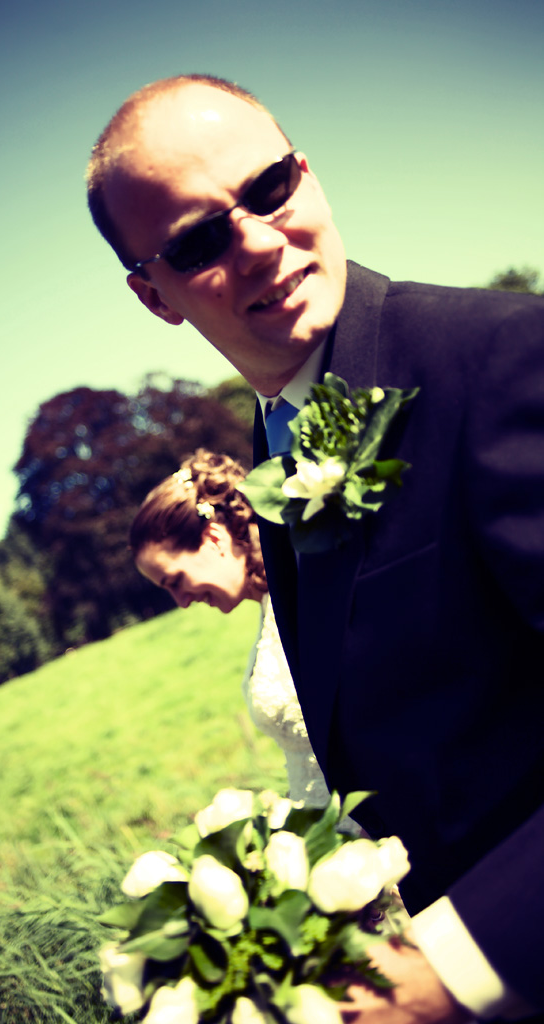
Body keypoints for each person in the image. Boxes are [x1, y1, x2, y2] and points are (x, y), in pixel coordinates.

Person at [85, 74, 544, 1021]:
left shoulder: (501, 354)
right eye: (199, 241)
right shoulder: (278, 445)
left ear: (309, 174)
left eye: (269, 189)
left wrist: (456, 964)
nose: (258, 240)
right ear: (153, 295)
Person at [130, 448, 333, 809]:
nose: (181, 601)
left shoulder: (306, 587)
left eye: (175, 580)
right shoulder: (268, 609)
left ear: (213, 539)